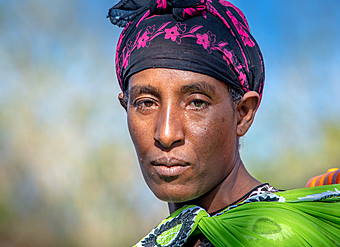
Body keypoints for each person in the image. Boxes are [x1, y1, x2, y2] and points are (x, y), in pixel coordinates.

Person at [107, 0, 340, 246]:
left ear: (243, 113)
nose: (166, 134)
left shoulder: (292, 235)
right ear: (126, 106)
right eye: (146, 103)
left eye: (196, 103)